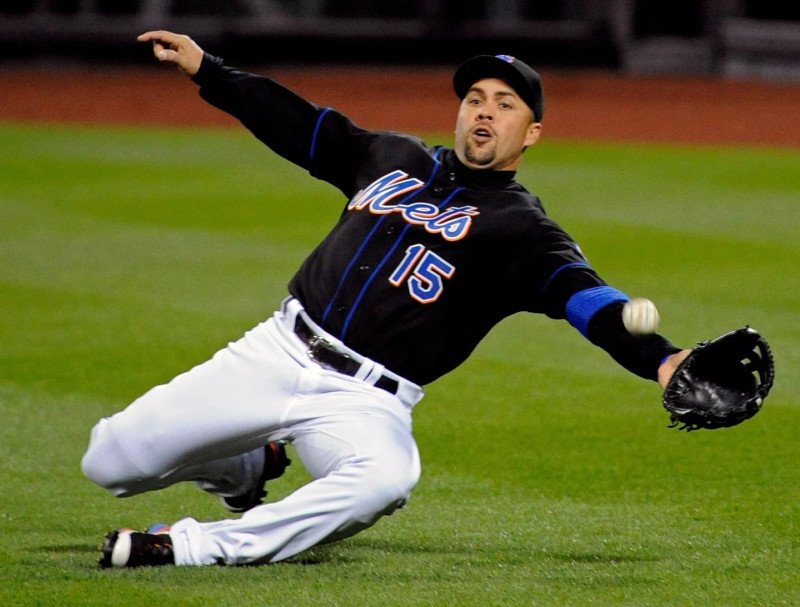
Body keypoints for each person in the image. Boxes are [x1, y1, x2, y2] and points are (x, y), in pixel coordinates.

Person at [82, 31, 690, 568]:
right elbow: (297, 123)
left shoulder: (522, 230)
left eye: (505, 104)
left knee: (386, 479)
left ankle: (198, 546)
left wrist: (661, 360)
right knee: (108, 460)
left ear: (531, 132)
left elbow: (588, 299)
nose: (485, 111)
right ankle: (243, 467)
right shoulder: (393, 156)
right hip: (275, 353)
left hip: (362, 402)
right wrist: (208, 69)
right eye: (475, 99)